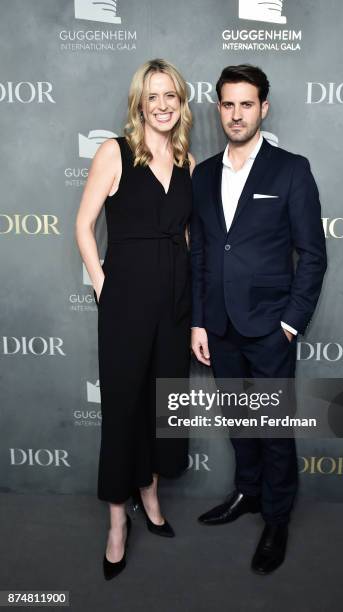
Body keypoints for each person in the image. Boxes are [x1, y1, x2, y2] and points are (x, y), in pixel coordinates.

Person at [190, 64, 327, 575]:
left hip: (271, 327)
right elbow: (202, 253)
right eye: (227, 104)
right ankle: (246, 493)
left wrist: (290, 324)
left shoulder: (291, 169)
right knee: (239, 421)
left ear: (263, 109)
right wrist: (199, 321)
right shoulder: (204, 174)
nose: (236, 114)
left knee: (273, 426)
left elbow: (312, 254)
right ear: (218, 108)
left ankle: (277, 517)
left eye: (246, 104)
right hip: (219, 326)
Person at [75, 58, 195, 580]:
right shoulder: (116, 152)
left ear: (181, 102)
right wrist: (104, 285)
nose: (163, 105)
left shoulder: (189, 160)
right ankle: (117, 523)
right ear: (139, 104)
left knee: (162, 403)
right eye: (153, 97)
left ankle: (150, 493)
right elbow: (83, 226)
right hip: (125, 304)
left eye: (171, 95)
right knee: (124, 408)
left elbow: (188, 237)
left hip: (174, 305)